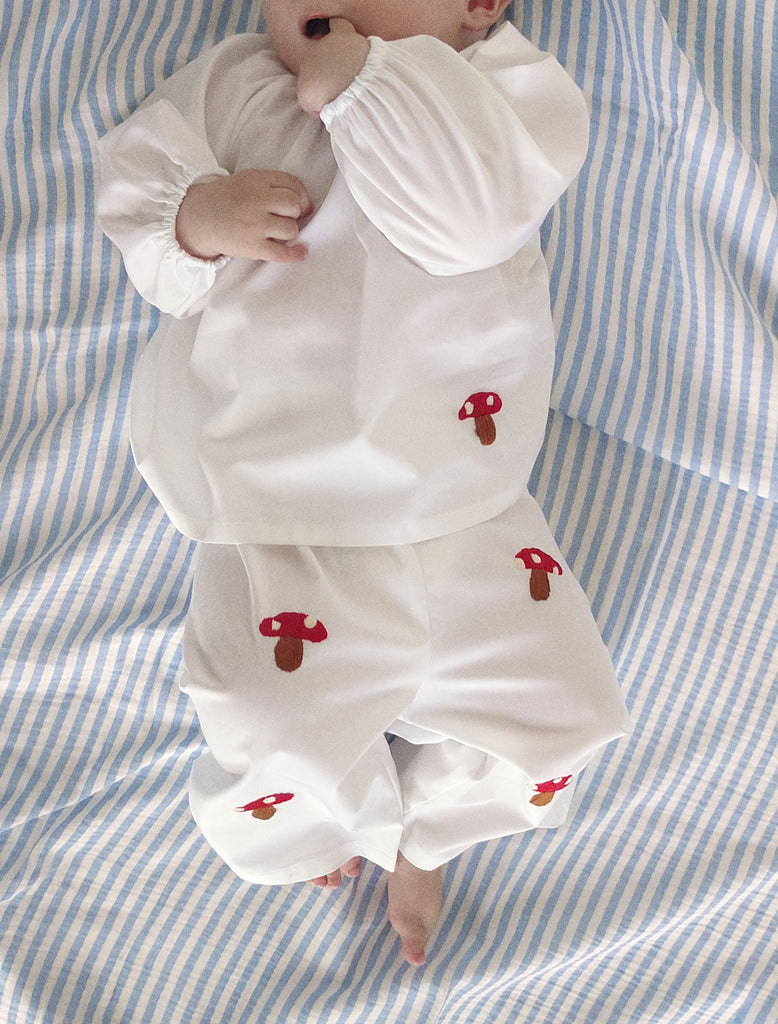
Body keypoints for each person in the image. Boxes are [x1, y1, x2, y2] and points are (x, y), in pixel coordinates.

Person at [97, 0, 629, 966]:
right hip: (274, 499)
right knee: (266, 720)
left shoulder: (513, 92)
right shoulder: (227, 84)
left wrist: (364, 83)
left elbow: (469, 222)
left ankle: (431, 828)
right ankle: (330, 820)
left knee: (565, 713)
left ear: (477, 7)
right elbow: (136, 190)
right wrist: (198, 216)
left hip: (464, 503)